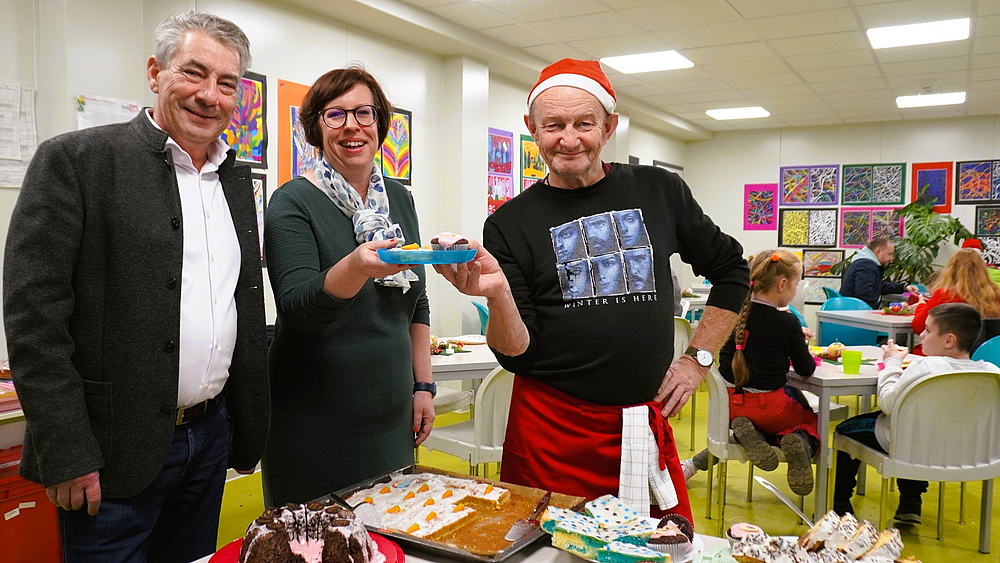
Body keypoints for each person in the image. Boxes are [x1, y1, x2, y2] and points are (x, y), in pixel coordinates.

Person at [2, 12, 268, 562]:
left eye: (226, 83)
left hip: (209, 438)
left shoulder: (234, 182)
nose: (209, 95)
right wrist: (66, 449)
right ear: (155, 72)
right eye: (193, 73)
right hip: (108, 451)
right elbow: (33, 319)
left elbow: (236, 304)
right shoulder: (77, 162)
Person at [433, 58, 749, 520]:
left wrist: (697, 360)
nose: (569, 138)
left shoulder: (659, 190)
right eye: (553, 125)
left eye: (584, 123)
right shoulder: (509, 223)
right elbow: (517, 355)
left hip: (640, 424)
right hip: (549, 432)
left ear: (609, 127)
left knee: (658, 549)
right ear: (532, 129)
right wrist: (497, 293)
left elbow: (731, 269)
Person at [262, 65, 433, 506]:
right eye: (335, 115)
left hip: (392, 414)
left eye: (364, 113)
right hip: (317, 421)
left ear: (380, 124)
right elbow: (299, 308)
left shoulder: (398, 200)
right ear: (316, 129)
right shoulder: (292, 201)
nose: (352, 126)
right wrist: (356, 266)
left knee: (390, 538)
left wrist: (423, 387)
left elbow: (417, 304)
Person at [832, 303, 999, 524]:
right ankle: (910, 502)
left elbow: (888, 404)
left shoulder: (927, 367)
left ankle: (838, 506)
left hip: (908, 447)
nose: (921, 334)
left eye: (928, 330)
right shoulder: (991, 372)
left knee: (845, 429)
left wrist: (891, 362)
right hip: (970, 454)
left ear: (949, 340)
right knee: (923, 430)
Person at [681, 251, 818, 495]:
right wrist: (797, 340)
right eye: (796, 284)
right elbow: (805, 369)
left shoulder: (732, 318)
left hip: (731, 407)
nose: (796, 290)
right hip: (770, 409)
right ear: (782, 283)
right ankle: (799, 442)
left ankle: (747, 434)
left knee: (763, 423)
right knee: (810, 421)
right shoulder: (786, 323)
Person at [909, 248, 1000, 354]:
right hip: (986, 355)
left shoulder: (946, 294)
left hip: (946, 355)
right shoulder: (995, 295)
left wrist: (920, 306)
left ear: (951, 269)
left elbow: (919, 327)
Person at [840, 237, 918, 309]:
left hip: (851, 309)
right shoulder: (866, 266)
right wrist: (882, 308)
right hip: (856, 312)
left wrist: (903, 287)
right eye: (889, 254)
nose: (891, 258)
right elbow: (864, 292)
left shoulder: (864, 263)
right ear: (878, 252)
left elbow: (877, 286)